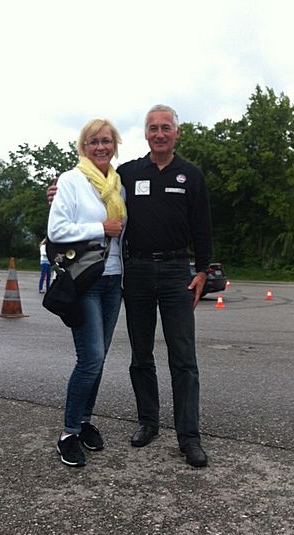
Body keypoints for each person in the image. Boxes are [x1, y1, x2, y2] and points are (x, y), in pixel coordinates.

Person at [48, 105, 213, 468]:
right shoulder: (128, 173)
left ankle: (189, 437)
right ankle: (148, 422)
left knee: (184, 357)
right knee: (140, 355)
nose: (159, 134)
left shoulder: (191, 174)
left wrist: (202, 270)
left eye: (165, 128)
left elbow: (202, 226)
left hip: (176, 271)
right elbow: (92, 190)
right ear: (145, 134)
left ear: (176, 133)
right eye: (153, 128)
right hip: (135, 271)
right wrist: (58, 193)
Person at [47, 118, 126, 468]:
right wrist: (100, 227)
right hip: (85, 280)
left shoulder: (118, 185)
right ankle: (68, 433)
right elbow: (57, 230)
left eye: (106, 140)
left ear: (115, 144)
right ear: (83, 147)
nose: (100, 147)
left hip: (114, 280)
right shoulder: (71, 180)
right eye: (93, 141)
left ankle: (84, 421)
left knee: (100, 358)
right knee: (90, 357)